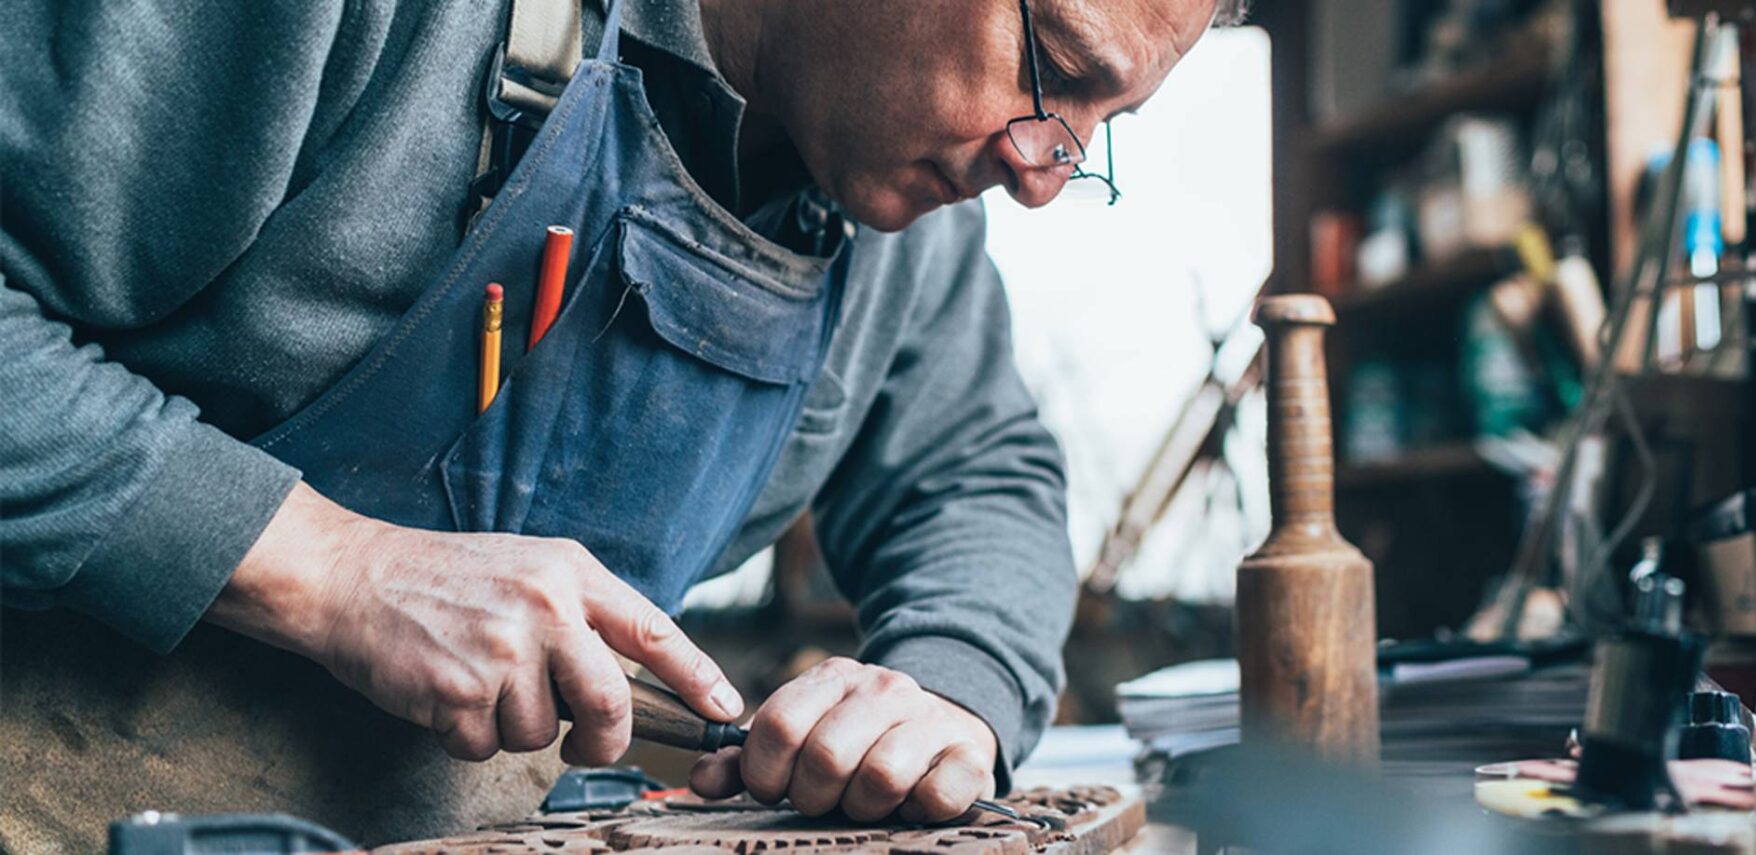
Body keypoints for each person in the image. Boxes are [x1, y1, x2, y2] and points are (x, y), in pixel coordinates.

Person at [0, 0, 1240, 848]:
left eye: (1102, 126)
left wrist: (951, 690)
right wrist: (331, 567)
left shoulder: (902, 219)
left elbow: (975, 471)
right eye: (1057, 71)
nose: (1046, 169)